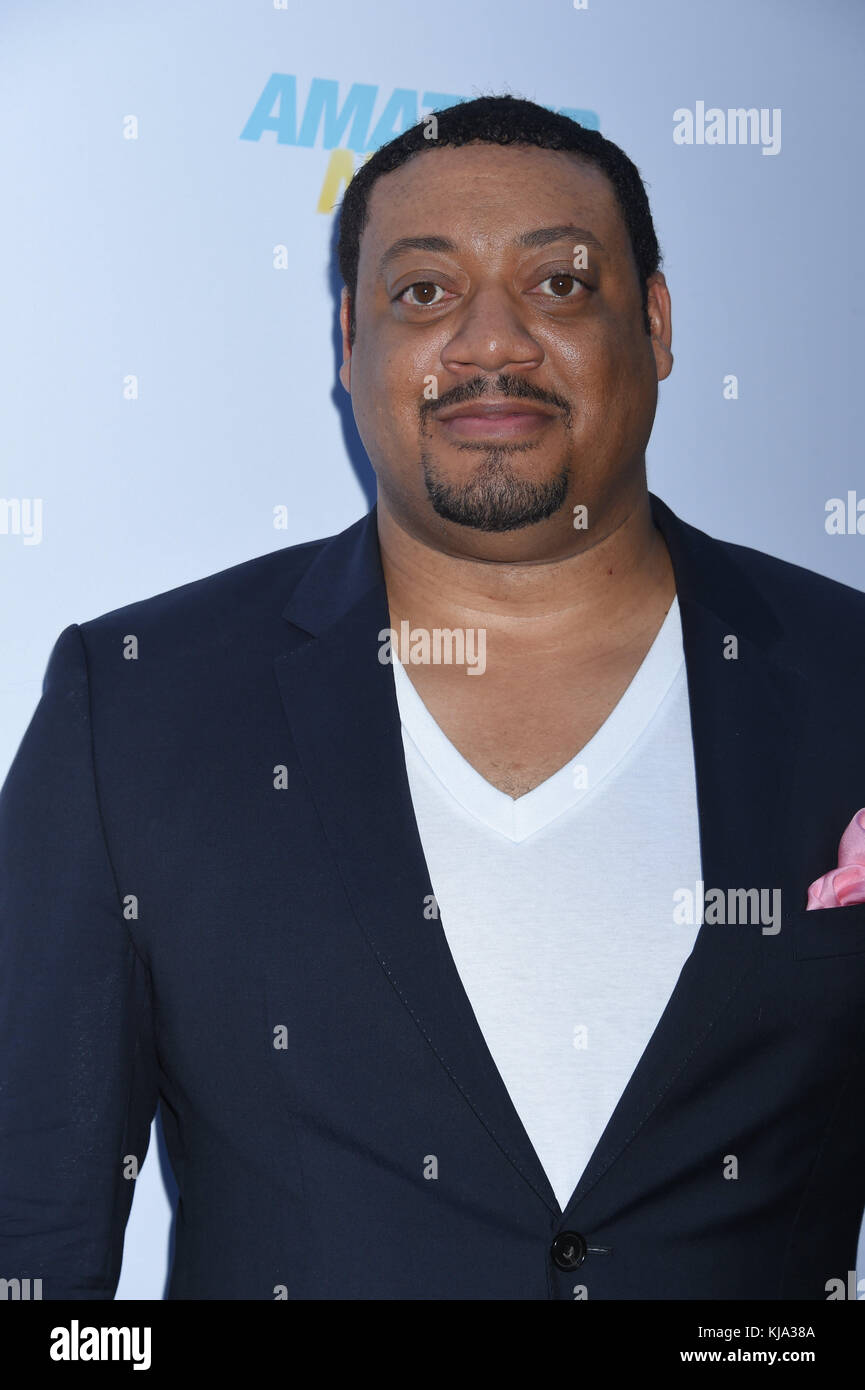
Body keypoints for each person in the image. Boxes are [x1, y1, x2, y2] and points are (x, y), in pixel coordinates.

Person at [1, 95, 864, 1301]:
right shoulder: (138, 704)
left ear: (656, 324)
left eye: (559, 287)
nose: (491, 345)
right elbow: (31, 1232)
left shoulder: (843, 678)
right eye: (422, 294)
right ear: (348, 339)